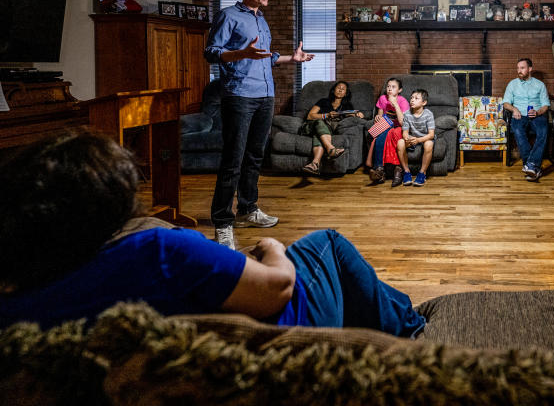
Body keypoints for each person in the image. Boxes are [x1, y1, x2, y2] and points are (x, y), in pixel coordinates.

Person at [0, 131, 425, 338]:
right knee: (323, 244)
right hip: (276, 340)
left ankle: (394, 317)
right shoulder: (159, 249)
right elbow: (278, 287)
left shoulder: (20, 298)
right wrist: (272, 247)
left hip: (203, 336)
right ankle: (412, 328)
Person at [205, 0, 314, 249]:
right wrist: (241, 53)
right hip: (239, 96)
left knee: (254, 156)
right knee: (233, 159)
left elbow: (266, 57)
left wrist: (293, 58)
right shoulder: (229, 16)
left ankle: (247, 209)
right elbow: (211, 52)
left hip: (265, 95)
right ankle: (222, 222)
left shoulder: (260, 19)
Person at [299, 80, 364, 175]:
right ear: (333, 90)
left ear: (346, 93)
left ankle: (315, 164)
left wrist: (358, 114)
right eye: (338, 88)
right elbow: (310, 116)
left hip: (326, 131)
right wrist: (327, 115)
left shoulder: (347, 106)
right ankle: (331, 149)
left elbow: (353, 115)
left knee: (319, 136)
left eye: (343, 89)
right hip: (311, 126)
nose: (340, 90)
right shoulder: (323, 101)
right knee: (319, 122)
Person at [502, 58, 550, 182]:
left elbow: (545, 105)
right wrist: (514, 109)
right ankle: (533, 166)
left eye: (522, 68)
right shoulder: (512, 84)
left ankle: (530, 165)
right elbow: (506, 103)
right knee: (518, 130)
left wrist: (538, 112)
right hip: (519, 115)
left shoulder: (540, 85)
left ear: (530, 69)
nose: (519, 71)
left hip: (537, 115)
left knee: (543, 131)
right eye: (518, 68)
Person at [365, 77, 409, 184]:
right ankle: (379, 169)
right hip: (386, 126)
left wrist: (395, 104)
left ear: (399, 90)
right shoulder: (382, 99)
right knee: (382, 131)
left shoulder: (402, 101)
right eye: (388, 86)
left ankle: (384, 170)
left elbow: (403, 122)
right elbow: (380, 114)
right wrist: (378, 117)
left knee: (389, 130)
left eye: (393, 87)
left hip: (398, 127)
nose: (389, 89)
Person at [395, 89, 435, 187]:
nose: (412, 100)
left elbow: (431, 135)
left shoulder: (428, 114)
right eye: (411, 98)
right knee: (400, 142)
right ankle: (406, 172)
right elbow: (405, 132)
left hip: (425, 138)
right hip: (412, 138)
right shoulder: (407, 114)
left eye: (416, 98)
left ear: (424, 102)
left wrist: (418, 140)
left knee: (429, 144)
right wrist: (407, 138)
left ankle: (422, 173)